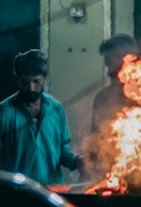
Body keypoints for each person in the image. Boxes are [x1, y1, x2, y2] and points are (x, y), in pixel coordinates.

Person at [0, 48, 84, 185]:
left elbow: (62, 150)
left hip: (51, 193)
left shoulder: (56, 109)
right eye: (24, 82)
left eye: (36, 81)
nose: (31, 88)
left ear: (44, 79)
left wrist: (77, 161)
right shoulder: (4, 112)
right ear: (17, 79)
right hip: (16, 195)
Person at [91, 33, 139, 135]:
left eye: (111, 64)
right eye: (108, 65)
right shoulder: (102, 98)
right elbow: (94, 140)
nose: (108, 72)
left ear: (128, 60)